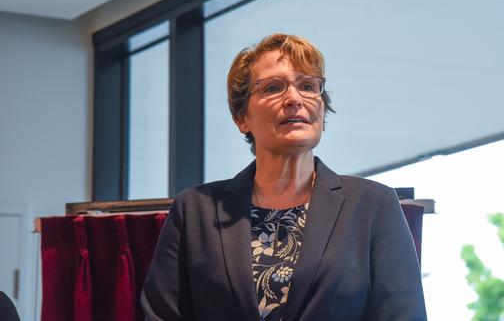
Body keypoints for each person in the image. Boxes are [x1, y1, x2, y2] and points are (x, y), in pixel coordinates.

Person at [141, 34, 427, 321]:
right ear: (242, 118)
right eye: (274, 87)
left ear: (322, 110)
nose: (294, 99)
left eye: (307, 86)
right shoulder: (195, 210)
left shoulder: (373, 205)